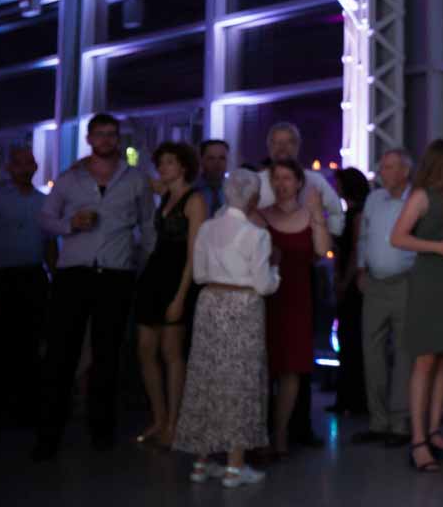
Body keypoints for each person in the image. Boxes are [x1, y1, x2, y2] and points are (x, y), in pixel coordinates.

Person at [34, 113, 156, 460]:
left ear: (119, 139)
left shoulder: (135, 180)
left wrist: (142, 265)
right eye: (100, 134)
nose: (106, 140)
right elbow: (45, 220)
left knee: (108, 356)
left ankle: (101, 433)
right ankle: (48, 436)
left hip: (116, 274)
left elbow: (148, 226)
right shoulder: (70, 179)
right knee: (61, 354)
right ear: (89, 139)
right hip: (74, 273)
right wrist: (69, 224)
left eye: (112, 134)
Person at [173, 169, 279, 488]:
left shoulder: (207, 228)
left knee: (207, 378)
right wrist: (276, 272)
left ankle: (201, 461)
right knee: (240, 381)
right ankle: (234, 467)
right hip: (243, 306)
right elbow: (263, 285)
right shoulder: (257, 234)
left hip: (209, 303)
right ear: (254, 198)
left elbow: (200, 274)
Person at [389, 140, 443, 473]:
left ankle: (433, 430)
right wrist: (439, 247)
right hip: (429, 280)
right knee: (424, 360)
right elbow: (398, 237)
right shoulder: (420, 196)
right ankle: (418, 439)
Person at [253, 158, 332, 456]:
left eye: (287, 178)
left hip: (298, 297)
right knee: (263, 368)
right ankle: (259, 433)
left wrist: (315, 213)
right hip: (266, 298)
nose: (282, 184)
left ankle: (282, 433)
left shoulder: (308, 215)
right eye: (277, 178)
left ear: (299, 182)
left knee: (291, 369)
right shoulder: (260, 215)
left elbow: (322, 249)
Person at [0, 147, 55, 427]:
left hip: (33, 278)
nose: (24, 167)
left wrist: (55, 279)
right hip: (1, 280)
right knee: (2, 347)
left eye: (29, 162)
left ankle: (28, 409)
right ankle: (0, 411)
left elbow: (48, 245)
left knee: (31, 344)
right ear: (9, 168)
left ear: (35, 166)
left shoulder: (44, 202)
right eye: (18, 163)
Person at [133, 142, 207, 448]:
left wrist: (181, 296)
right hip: (154, 274)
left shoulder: (195, 200)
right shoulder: (165, 195)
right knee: (145, 350)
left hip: (177, 278)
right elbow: (137, 176)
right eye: (161, 162)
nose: (163, 168)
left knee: (171, 353)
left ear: (184, 166)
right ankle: (160, 418)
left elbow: (194, 253)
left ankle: (175, 423)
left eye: (169, 162)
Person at [348, 148, 414, 447]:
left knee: (404, 354)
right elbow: (364, 237)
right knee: (371, 352)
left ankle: (400, 423)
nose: (382, 172)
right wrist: (361, 268)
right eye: (382, 166)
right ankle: (378, 421)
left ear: (404, 171)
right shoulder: (374, 199)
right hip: (374, 283)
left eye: (388, 167)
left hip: (405, 284)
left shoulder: (416, 198)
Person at [328, 166, 369, 416]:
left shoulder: (356, 215)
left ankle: (352, 398)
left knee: (351, 338)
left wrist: (344, 280)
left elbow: (355, 250)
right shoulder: (351, 213)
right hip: (347, 279)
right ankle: (348, 397)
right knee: (348, 338)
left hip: (352, 282)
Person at [196, 140, 229, 218]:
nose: (217, 163)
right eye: (211, 158)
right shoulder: (192, 190)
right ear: (201, 160)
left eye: (222, 158)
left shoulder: (235, 190)